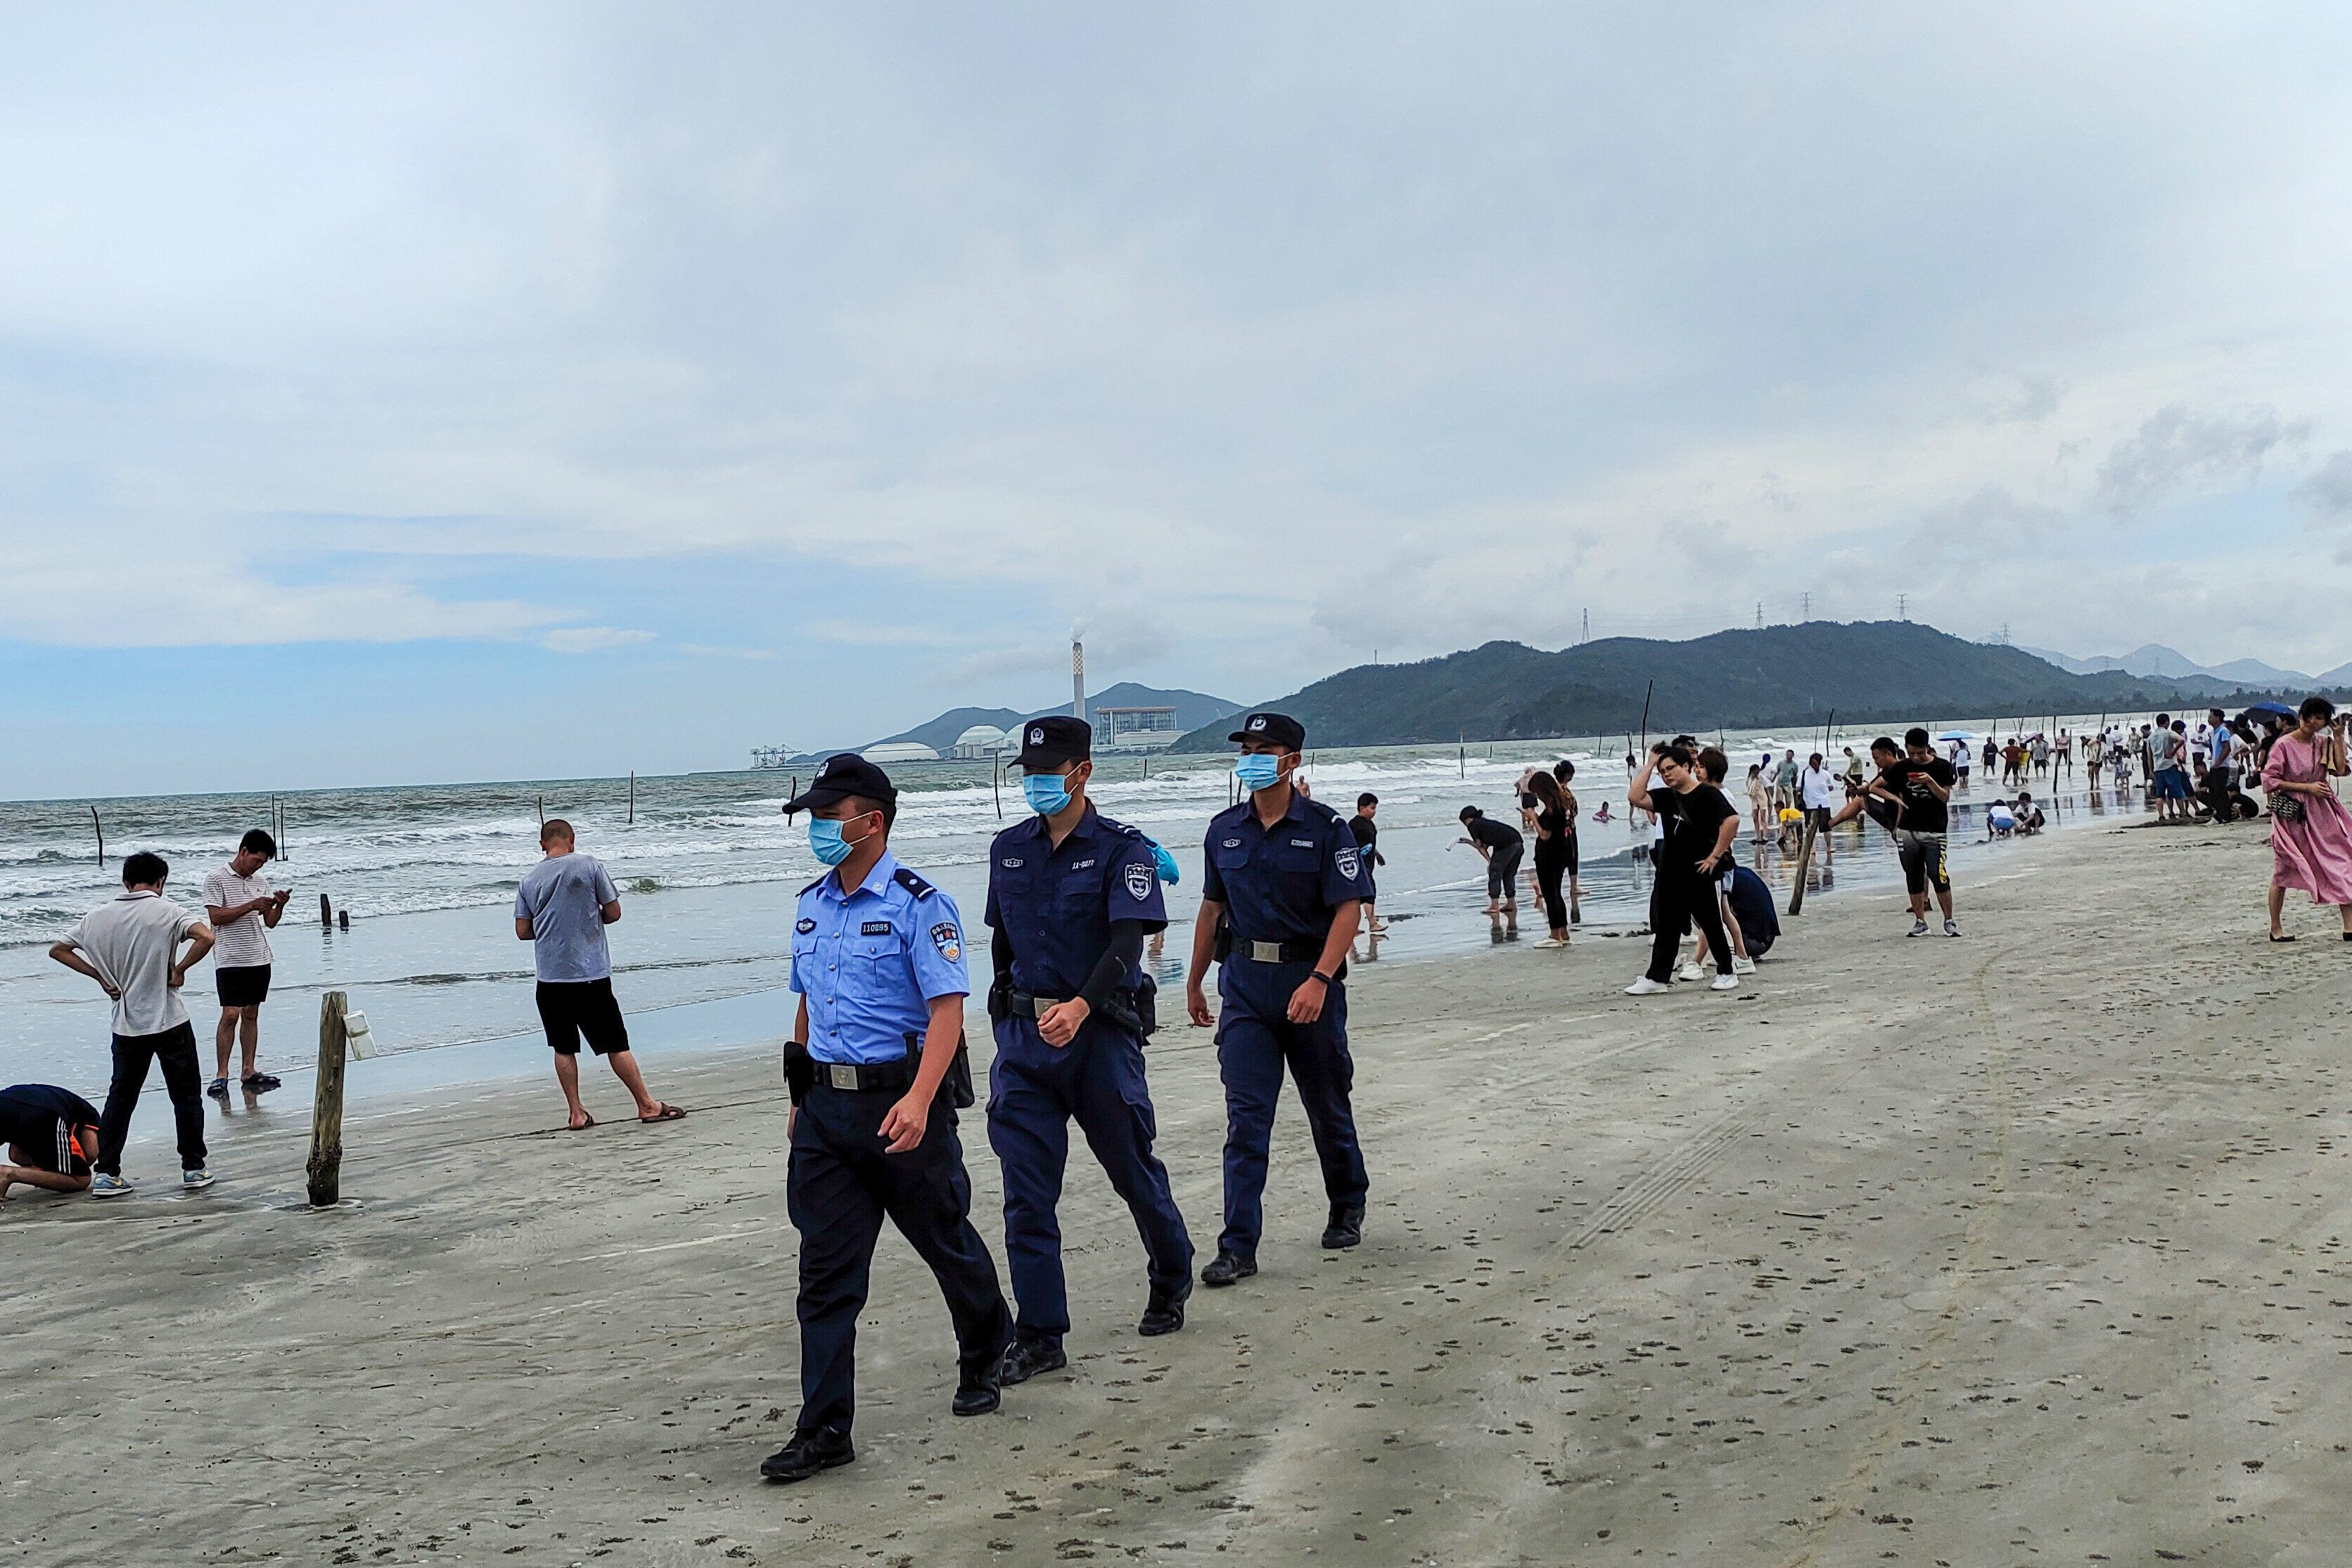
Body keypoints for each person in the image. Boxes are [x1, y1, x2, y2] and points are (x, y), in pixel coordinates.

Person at [767, 755, 1014, 1484]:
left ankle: (985, 1349)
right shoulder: (812, 903)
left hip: (900, 1106)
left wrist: (918, 1099)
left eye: (826, 815)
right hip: (825, 1114)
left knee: (945, 1240)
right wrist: (796, 1094)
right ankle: (823, 1431)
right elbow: (806, 1008)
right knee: (825, 1274)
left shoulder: (918, 903)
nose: (815, 827)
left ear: (869, 821)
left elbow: (946, 1010)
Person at [984, 719, 1194, 1388]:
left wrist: (1078, 1007)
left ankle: (1171, 1273)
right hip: (1025, 1045)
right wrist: (1006, 1007)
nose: (1036, 783)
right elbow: (1003, 941)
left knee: (1131, 1169)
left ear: (1083, 772)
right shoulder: (1008, 849)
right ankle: (1041, 1333)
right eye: (1029, 772)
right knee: (1025, 1193)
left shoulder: (1121, 851)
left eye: (1050, 771)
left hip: (1098, 1036)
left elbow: (1128, 945)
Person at [1184, 712, 1370, 1286]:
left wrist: (1320, 978)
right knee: (1246, 1121)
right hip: (1244, 989)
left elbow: (1349, 908)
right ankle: (1238, 1246)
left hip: (1307, 984)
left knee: (1327, 1105)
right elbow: (1212, 908)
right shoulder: (1223, 830)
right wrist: (1192, 981)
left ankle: (1347, 1203)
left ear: (1291, 761)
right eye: (1247, 749)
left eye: (1265, 750)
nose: (1252, 759)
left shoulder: (1325, 828)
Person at [49, 852, 217, 1197]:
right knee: (185, 1097)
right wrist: (180, 968)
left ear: (126, 882)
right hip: (169, 1018)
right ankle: (193, 1168)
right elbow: (206, 937)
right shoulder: (168, 911)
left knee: (121, 1098)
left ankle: (108, 1172)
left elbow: (59, 950)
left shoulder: (96, 918)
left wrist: (98, 975)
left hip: (126, 1024)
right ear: (160, 882)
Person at [514, 819, 684, 1131]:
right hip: (590, 974)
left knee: (563, 1047)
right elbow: (614, 911)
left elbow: (523, 931)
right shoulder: (589, 865)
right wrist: (589, 920)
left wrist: (554, 927)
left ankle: (576, 1113)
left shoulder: (528, 880)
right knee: (615, 1044)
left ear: (542, 845)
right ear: (572, 839)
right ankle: (646, 1104)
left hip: (551, 979)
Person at [1623, 742, 1739, 994]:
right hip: (1669, 870)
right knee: (1666, 926)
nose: (1666, 774)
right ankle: (1657, 978)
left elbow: (1732, 820)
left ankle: (1727, 971)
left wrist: (1715, 856)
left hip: (1698, 870)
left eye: (1670, 768)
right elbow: (1635, 797)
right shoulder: (1666, 796)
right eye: (1662, 771)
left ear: (1686, 766)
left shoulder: (1708, 795)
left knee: (1710, 923)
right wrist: (1651, 763)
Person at [203, 828, 292, 1098]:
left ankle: (248, 1070)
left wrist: (279, 906)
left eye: (263, 863)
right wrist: (252, 904)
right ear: (243, 851)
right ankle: (221, 1074)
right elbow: (217, 917)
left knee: (251, 1013)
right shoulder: (216, 878)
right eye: (256, 860)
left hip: (258, 956)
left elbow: (270, 923)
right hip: (230, 957)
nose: (258, 866)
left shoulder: (260, 881)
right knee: (230, 1014)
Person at [2263, 698, 2352, 942]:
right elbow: (2270, 779)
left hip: (2322, 812)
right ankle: (2275, 927)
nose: (2314, 722)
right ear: (2301, 716)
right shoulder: (2283, 745)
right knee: (2283, 869)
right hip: (2292, 815)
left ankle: (2349, 926)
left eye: (2320, 718)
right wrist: (2307, 788)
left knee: (2340, 859)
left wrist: (2339, 736)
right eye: (2310, 716)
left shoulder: (2323, 742)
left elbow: (2340, 769)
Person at [0, 1084, 103, 1201]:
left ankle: (39, 1175)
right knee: (80, 1179)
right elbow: (91, 1155)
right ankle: (8, 1173)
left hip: (12, 1103)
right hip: (45, 1113)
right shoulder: (90, 1118)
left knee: (19, 1156)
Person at [1522, 771, 1576, 949]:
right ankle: (1563, 932)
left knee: (1551, 894)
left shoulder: (1552, 810)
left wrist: (1534, 818)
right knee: (1556, 893)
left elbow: (1545, 834)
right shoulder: (1562, 805)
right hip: (1560, 855)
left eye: (1536, 793)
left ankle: (1554, 934)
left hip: (1549, 856)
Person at [1457, 805, 1523, 927]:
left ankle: (1494, 905)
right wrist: (1468, 842)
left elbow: (1480, 846)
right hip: (1517, 841)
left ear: (1467, 819)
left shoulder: (1473, 825)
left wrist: (1490, 862)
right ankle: (1511, 903)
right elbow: (1483, 846)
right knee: (1508, 874)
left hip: (1506, 845)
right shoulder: (1484, 824)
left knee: (1495, 873)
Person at [1549, 759, 1584, 923]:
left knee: (1570, 856)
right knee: (1571, 856)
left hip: (1567, 827)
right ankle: (1573, 887)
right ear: (1568, 775)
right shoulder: (1562, 791)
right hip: (1567, 828)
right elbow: (1571, 810)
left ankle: (1572, 887)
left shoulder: (1558, 790)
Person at [1721, 865, 1779, 960]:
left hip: (1754, 943)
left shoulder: (1725, 880)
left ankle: (1740, 956)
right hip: (1766, 939)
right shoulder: (1743, 872)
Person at [1348, 794, 1387, 934]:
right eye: (1371, 808)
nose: (1374, 811)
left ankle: (1355, 926)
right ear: (1362, 808)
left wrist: (1377, 854)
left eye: (1375, 808)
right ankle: (1372, 923)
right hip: (1359, 865)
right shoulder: (1354, 824)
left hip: (1369, 863)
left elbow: (1370, 843)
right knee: (1369, 893)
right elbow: (1347, 843)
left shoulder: (1369, 824)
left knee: (1363, 894)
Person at [2148, 712, 2191, 823]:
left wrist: (2151, 770)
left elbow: (2149, 756)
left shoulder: (2151, 737)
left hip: (2158, 767)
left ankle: (2161, 815)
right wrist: (2172, 752)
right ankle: (2183, 813)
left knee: (2160, 794)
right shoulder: (2168, 733)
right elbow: (2181, 740)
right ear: (2167, 722)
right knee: (2177, 792)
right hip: (2169, 765)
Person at [1798, 752, 1839, 864]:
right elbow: (1831, 787)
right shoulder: (1808, 773)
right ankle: (1819, 848)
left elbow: (1798, 788)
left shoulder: (1818, 774)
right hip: (1811, 804)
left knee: (1823, 828)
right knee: (1813, 828)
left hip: (1822, 804)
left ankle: (1825, 847)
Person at [1745, 764, 1772, 842]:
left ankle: (1765, 835)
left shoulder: (1761, 778)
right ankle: (1757, 836)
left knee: (1763, 817)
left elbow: (1767, 788)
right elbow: (1748, 789)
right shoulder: (1748, 779)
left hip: (1762, 798)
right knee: (1755, 817)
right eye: (1755, 772)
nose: (1756, 774)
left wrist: (1770, 799)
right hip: (1754, 799)